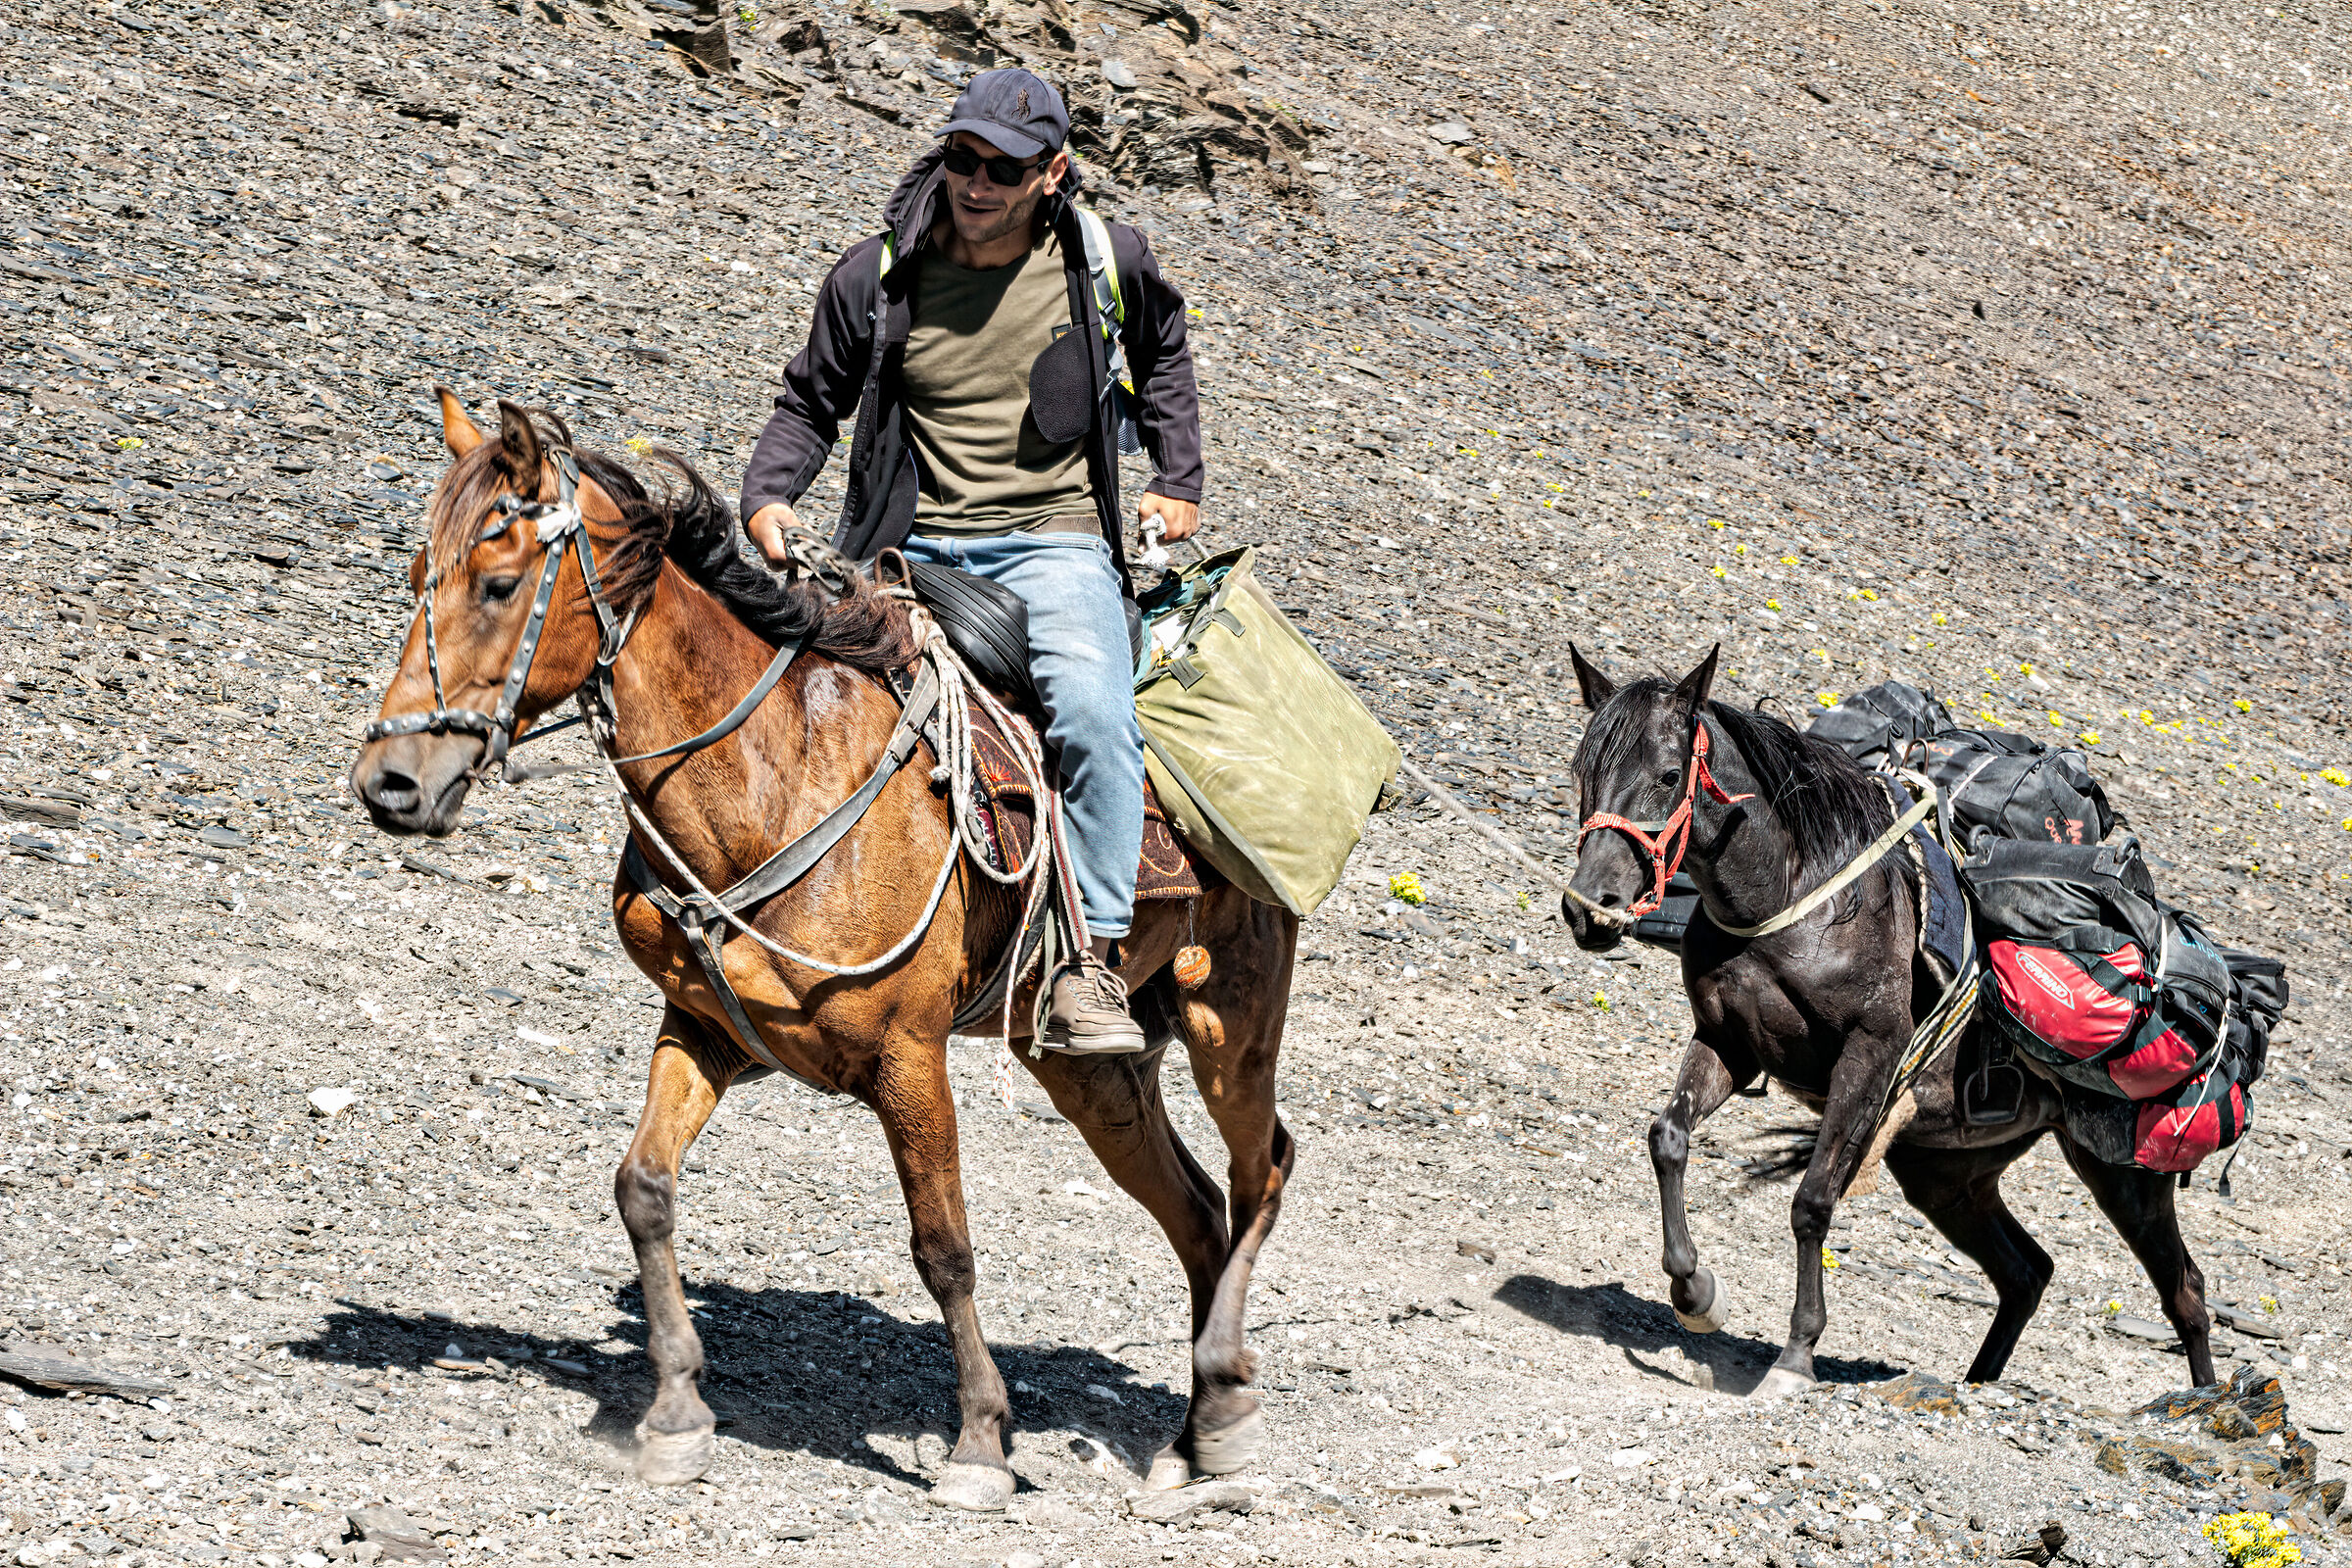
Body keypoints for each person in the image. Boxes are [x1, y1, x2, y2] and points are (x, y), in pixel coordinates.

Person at [739, 69, 1203, 1054]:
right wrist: (768, 496)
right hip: (906, 549)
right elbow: (807, 401)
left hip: (1055, 543)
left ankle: (1090, 965)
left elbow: (1163, 349)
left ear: (1053, 172)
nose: (977, 181)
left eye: (1004, 166)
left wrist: (1179, 476)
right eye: (963, 156)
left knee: (1090, 710)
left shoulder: (1104, 262)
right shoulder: (876, 274)